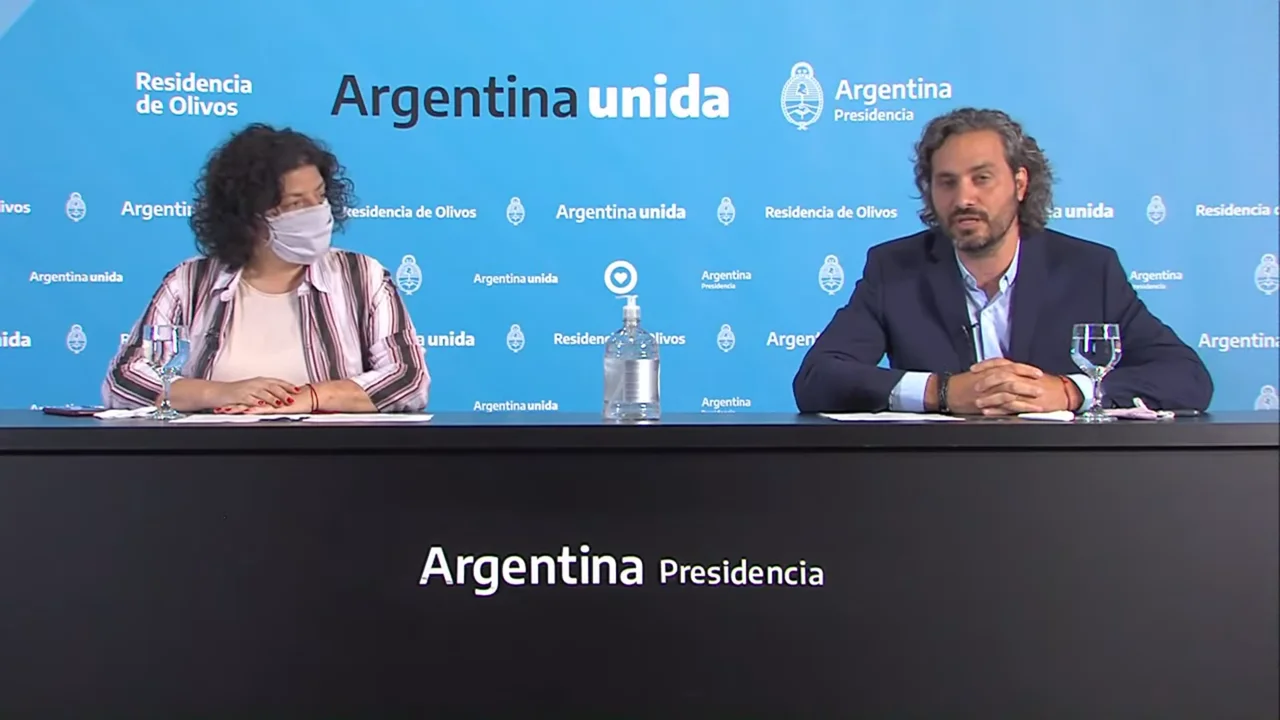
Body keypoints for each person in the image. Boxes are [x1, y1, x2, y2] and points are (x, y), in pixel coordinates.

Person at [793, 108, 1212, 415]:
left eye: (982, 178)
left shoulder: (1088, 270)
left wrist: (1069, 392)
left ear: (1020, 183)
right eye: (947, 182)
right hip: (935, 483)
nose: (964, 198)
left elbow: (1186, 376)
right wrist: (942, 391)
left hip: (1063, 484)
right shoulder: (895, 269)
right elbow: (817, 378)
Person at [103, 123, 429, 414]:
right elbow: (124, 379)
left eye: (319, 197)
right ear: (249, 216)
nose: (317, 212)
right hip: (213, 456)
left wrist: (311, 397)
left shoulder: (363, 276)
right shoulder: (189, 282)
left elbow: (408, 378)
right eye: (296, 204)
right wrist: (218, 393)